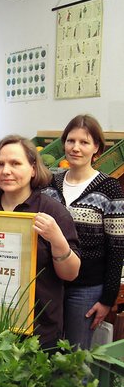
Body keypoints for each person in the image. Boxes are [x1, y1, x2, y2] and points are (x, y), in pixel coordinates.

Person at [0, 135, 81, 349]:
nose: (6, 171)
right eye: (0, 164)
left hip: (39, 333)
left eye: (15, 163)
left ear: (33, 169)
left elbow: (70, 274)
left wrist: (56, 239)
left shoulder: (53, 212)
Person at [43, 115, 124, 349]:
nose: (75, 148)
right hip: (50, 287)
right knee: (48, 355)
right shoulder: (50, 183)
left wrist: (107, 299)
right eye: (70, 141)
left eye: (84, 142)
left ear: (96, 147)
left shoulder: (109, 188)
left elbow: (117, 247)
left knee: (77, 359)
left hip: (86, 290)